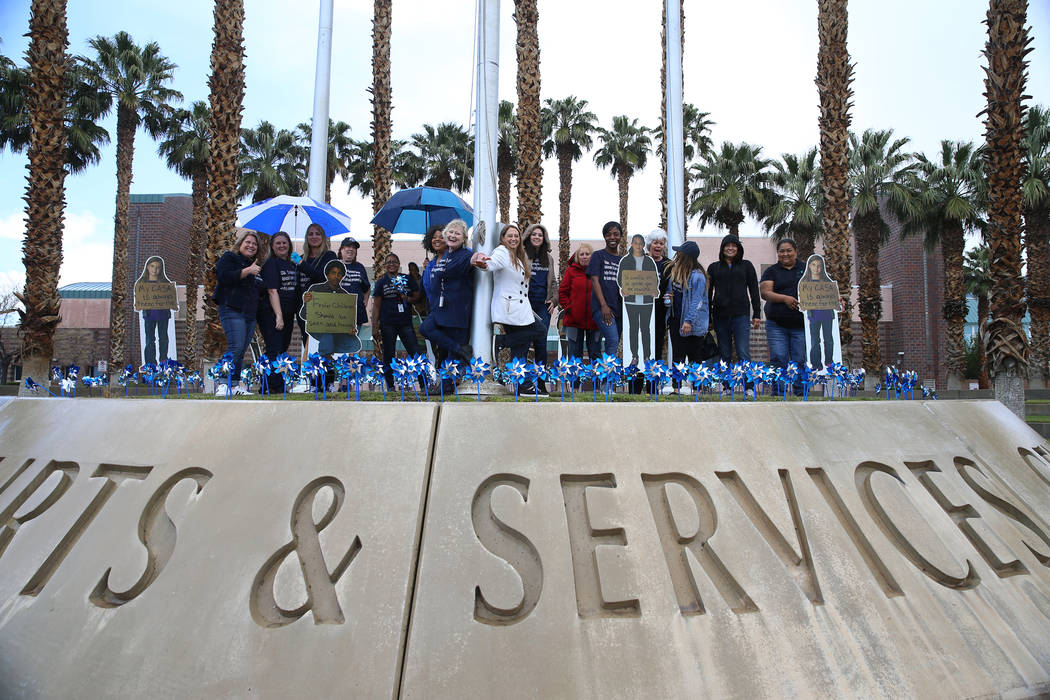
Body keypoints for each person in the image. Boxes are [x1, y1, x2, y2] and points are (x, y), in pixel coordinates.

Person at [471, 224, 548, 395]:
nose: (513, 239)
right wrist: (483, 263)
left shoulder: (517, 256)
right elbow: (492, 263)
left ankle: (524, 386)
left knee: (520, 349)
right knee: (540, 331)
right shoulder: (502, 251)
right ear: (503, 238)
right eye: (509, 236)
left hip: (520, 309)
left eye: (516, 236)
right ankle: (501, 343)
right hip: (510, 308)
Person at [707, 234, 761, 394]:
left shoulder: (746, 266)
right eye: (727, 245)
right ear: (722, 248)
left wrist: (757, 313)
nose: (730, 248)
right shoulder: (713, 267)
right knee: (724, 353)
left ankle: (749, 387)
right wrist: (708, 317)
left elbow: (754, 290)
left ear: (738, 249)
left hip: (741, 316)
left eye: (734, 245)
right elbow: (708, 294)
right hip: (720, 316)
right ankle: (726, 387)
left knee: (743, 351)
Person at [212, 230, 265, 395]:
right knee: (235, 346)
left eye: (254, 244)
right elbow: (223, 276)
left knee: (241, 349)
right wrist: (247, 271)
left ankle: (233, 384)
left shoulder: (255, 266)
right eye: (248, 242)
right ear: (240, 244)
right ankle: (223, 382)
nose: (251, 245)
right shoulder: (230, 258)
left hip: (249, 314)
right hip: (231, 309)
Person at [420, 219, 474, 364]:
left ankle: (446, 385)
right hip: (440, 310)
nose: (453, 235)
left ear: (464, 239)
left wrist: (477, 258)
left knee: (451, 360)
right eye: (450, 232)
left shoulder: (465, 255)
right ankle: (461, 349)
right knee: (425, 328)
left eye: (458, 233)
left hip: (457, 312)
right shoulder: (445, 256)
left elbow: (471, 260)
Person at [760, 238, 807, 394]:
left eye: (789, 250)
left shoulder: (806, 269)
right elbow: (765, 293)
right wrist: (785, 299)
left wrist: (835, 298)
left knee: (799, 359)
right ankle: (778, 392)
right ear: (777, 253)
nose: (785, 254)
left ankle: (800, 392)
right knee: (779, 358)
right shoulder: (771, 271)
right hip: (776, 324)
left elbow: (821, 288)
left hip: (801, 324)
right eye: (781, 251)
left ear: (795, 251)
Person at [372, 253, 424, 391]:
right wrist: (374, 326)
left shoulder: (406, 279)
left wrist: (407, 298)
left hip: (405, 323)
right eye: (388, 262)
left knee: (415, 352)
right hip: (387, 323)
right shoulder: (381, 282)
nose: (391, 264)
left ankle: (424, 384)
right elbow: (376, 305)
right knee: (389, 354)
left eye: (394, 262)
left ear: (399, 263)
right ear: (384, 265)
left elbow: (417, 295)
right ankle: (390, 385)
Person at [257, 231, 298, 391]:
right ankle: (271, 387)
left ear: (289, 245)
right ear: (272, 247)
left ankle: (276, 384)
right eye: (278, 243)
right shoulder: (271, 264)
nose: (282, 245)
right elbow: (272, 291)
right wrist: (279, 316)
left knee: (282, 349)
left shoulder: (293, 264)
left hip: (288, 314)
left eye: (284, 243)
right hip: (272, 314)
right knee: (274, 349)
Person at [665, 241, 709, 367]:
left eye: (679, 253)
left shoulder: (698, 277)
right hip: (676, 320)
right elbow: (670, 294)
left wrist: (688, 321)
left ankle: (696, 387)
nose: (677, 255)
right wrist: (668, 300)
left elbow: (697, 301)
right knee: (677, 359)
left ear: (685, 257)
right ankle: (676, 387)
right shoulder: (675, 273)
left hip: (691, 324)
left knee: (695, 359)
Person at [301, 259, 359, 356]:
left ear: (342, 277)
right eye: (333, 273)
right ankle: (326, 358)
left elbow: (347, 321)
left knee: (355, 344)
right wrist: (306, 302)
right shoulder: (316, 289)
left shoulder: (345, 296)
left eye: (339, 274)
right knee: (327, 334)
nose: (336, 276)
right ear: (327, 274)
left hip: (337, 330)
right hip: (318, 328)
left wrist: (351, 329)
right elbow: (303, 315)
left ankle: (329, 348)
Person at [523, 224, 557, 386]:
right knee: (523, 341)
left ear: (544, 239)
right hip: (525, 305)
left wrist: (555, 300)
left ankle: (541, 383)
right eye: (534, 234)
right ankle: (521, 382)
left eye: (540, 235)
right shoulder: (522, 255)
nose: (537, 237)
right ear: (529, 236)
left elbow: (554, 282)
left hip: (543, 305)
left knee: (541, 342)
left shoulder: (548, 258)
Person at [616, 233, 659, 364]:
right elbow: (620, 278)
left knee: (646, 329)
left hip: (647, 302)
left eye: (641, 243)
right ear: (632, 244)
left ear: (643, 245)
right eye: (636, 242)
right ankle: (635, 356)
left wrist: (654, 290)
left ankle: (647, 356)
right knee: (633, 328)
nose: (638, 245)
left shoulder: (649, 261)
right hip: (631, 301)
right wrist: (623, 288)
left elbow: (654, 279)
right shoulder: (625, 260)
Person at [587, 221, 624, 357]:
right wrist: (603, 306)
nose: (612, 237)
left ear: (621, 236)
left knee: (613, 342)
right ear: (604, 237)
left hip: (618, 309)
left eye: (616, 234)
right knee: (612, 340)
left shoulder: (623, 260)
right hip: (602, 308)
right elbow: (594, 280)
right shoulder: (598, 255)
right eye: (608, 235)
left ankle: (608, 374)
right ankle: (609, 375)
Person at [558, 243, 599, 360]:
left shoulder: (597, 271)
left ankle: (596, 378)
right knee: (574, 355)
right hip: (573, 320)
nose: (584, 257)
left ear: (592, 256)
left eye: (587, 254)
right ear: (577, 256)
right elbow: (562, 292)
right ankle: (574, 378)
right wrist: (569, 307)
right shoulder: (571, 271)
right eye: (582, 254)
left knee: (595, 353)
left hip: (594, 320)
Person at [798, 254, 839, 368]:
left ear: (822, 268)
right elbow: (803, 300)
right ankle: (816, 363)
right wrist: (802, 305)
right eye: (814, 265)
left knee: (828, 339)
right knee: (815, 340)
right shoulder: (804, 284)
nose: (817, 268)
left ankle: (829, 361)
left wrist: (838, 302)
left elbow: (834, 298)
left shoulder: (827, 283)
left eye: (819, 266)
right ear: (809, 266)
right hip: (813, 315)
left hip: (827, 314)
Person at [135, 256, 177, 366]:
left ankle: (163, 359)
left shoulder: (166, 284)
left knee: (163, 337)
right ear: (147, 267)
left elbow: (171, 299)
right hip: (149, 315)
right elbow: (139, 301)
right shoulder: (141, 284)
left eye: (158, 267)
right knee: (149, 339)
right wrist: (138, 305)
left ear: (161, 269)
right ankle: (150, 362)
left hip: (163, 314)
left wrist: (173, 305)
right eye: (152, 266)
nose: (155, 270)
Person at [646, 229, 671, 362]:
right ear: (650, 244)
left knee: (657, 347)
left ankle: (653, 381)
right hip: (642, 311)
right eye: (655, 243)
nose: (658, 246)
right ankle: (638, 381)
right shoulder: (641, 261)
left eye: (661, 243)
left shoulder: (668, 264)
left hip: (660, 311)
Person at [337, 237, 370, 332]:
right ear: (341, 249)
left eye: (354, 247)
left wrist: (365, 301)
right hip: (337, 314)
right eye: (348, 246)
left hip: (356, 314)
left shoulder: (360, 267)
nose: (351, 249)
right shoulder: (334, 265)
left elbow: (367, 287)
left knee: (353, 344)